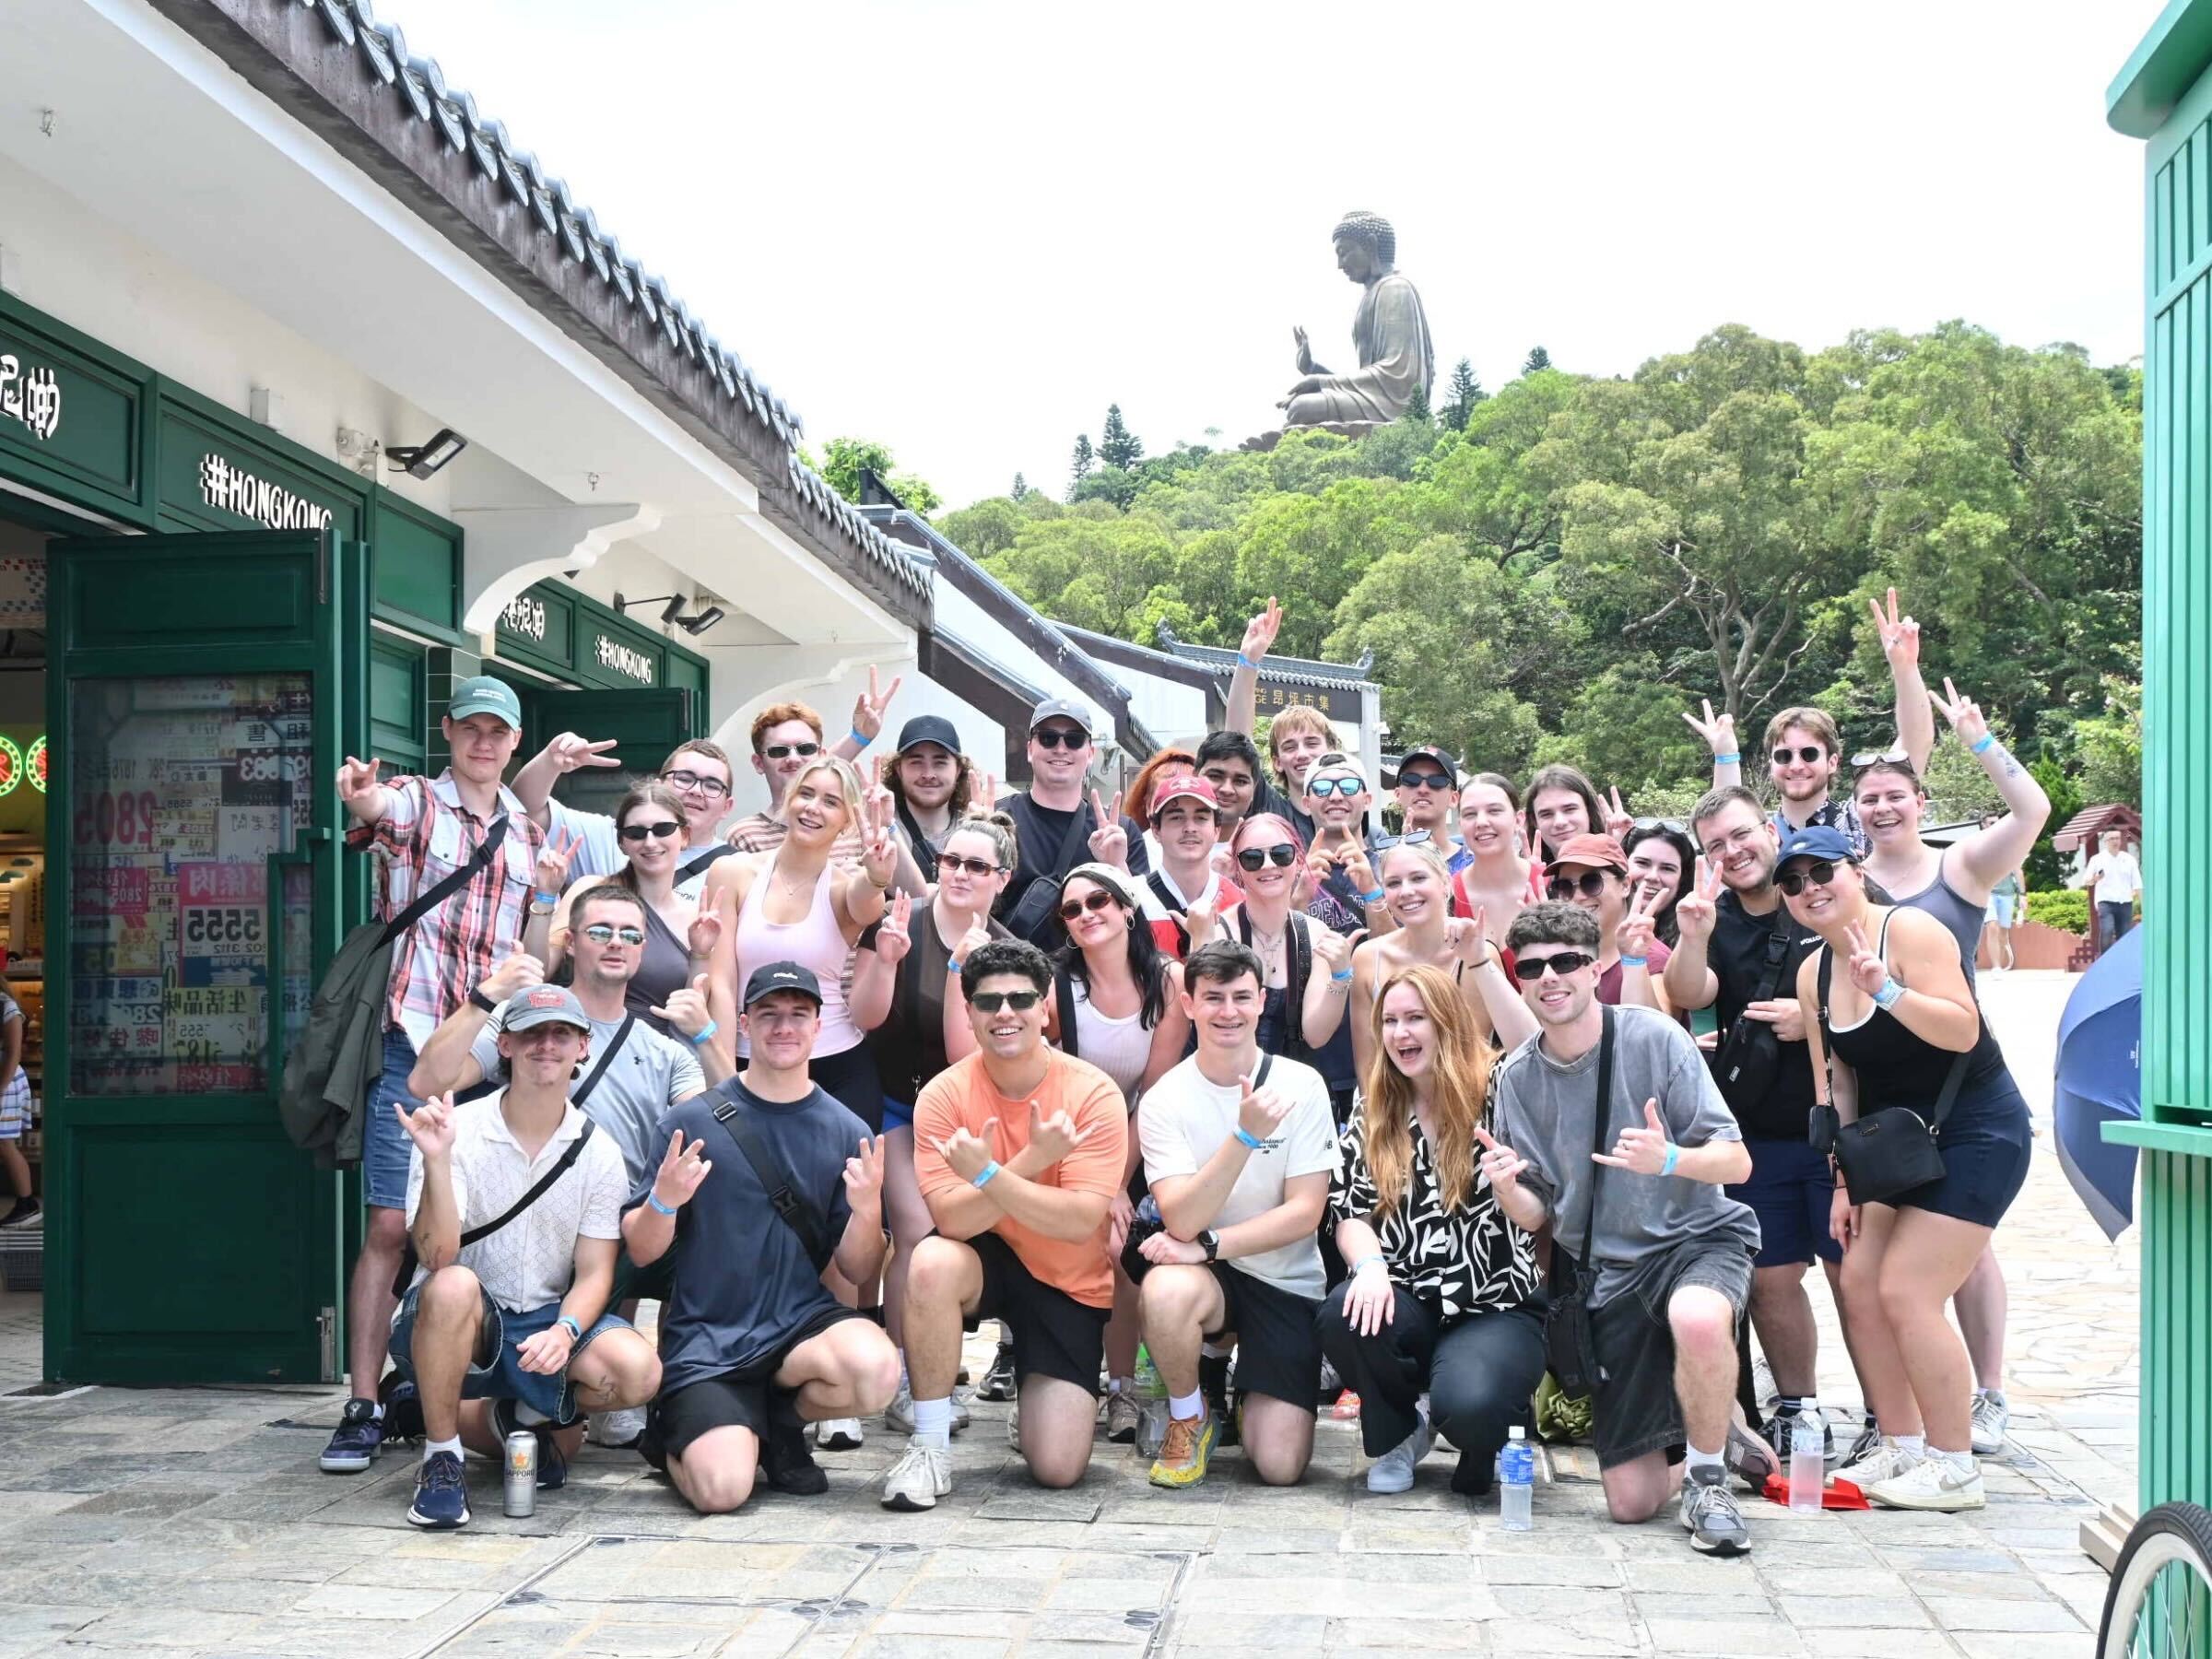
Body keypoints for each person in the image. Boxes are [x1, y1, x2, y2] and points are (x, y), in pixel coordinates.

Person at [322, 675, 546, 1477]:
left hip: (487, 1055)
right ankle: (361, 1404)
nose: (484, 743)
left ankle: (433, 1391)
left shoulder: (523, 829)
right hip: (410, 1046)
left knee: (461, 1233)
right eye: (471, 729)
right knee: (389, 1227)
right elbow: (382, 816)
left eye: (499, 732)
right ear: (448, 732)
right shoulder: (420, 800)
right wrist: (362, 801)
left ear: (513, 741)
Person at [1489, 901, 1762, 1557]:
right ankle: (1714, 1430)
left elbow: (1738, 1162)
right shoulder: (1517, 1078)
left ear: (1593, 968)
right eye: (1532, 967)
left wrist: (1671, 1159)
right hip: (1610, 1274)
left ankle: (1706, 1482)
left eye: (1566, 962)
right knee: (1629, 1503)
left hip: (1696, 1239)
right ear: (1518, 979)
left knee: (1699, 1317)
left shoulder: (1653, 1037)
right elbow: (1541, 1217)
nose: (1549, 977)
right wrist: (1506, 1193)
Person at [1785, 827, 2032, 1512]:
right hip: (1899, 1143)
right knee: (1860, 1279)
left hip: (1979, 1130)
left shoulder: (1912, 930)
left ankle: (1955, 1466)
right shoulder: (1812, 972)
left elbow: (1964, 1030)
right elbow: (1833, 1088)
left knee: (1907, 1289)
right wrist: (1843, 1181)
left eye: (1821, 871)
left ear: (1855, 869)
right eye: (1794, 881)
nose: (1810, 889)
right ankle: (1903, 1446)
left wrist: (1887, 990)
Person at [1853, 679, 2050, 1456]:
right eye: (1868, 798)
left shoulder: (1959, 869)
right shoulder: (1845, 885)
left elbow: (2031, 813)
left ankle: (1987, 1393)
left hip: (1959, 1077)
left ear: (1921, 801)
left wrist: (1978, 736)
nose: (1882, 807)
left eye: (1895, 794)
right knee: (1900, 1259)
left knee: (1967, 1248)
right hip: (1888, 1088)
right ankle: (1908, 1417)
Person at [624, 962, 901, 1512]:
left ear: (819, 1027)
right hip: (708, 1342)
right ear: (746, 1024)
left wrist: (867, 1211)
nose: (784, 1027)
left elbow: (859, 1270)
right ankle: (675, 1433)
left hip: (797, 1328)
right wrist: (664, 1200)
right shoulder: (690, 1122)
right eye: (769, 1015)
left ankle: (777, 1424)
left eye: (799, 1015)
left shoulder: (848, 1129)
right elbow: (641, 1249)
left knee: (876, 1372)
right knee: (723, 1493)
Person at [386, 984, 661, 1529]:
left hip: (539, 1320)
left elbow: (595, 1272)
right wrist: (437, 1164)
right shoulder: (455, 1128)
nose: (547, 1046)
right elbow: (437, 1256)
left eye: (562, 1033)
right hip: (460, 1318)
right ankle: (441, 1458)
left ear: (583, 1047)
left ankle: (509, 1414)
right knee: (453, 1284)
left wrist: (564, 1331)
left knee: (637, 1373)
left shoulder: (598, 1151)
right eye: (532, 1034)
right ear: (505, 1046)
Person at [886, 940, 1127, 1510]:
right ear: (967, 1014)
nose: (1005, 1013)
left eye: (1021, 998)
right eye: (988, 1002)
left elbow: (1079, 1222)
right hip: (982, 1259)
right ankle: (930, 1444)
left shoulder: (1093, 1092)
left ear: (1046, 1009)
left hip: (1066, 1277)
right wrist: (1028, 1165)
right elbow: (952, 1221)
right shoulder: (944, 1094)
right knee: (930, 1261)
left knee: (1059, 1470)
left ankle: (1036, 1402)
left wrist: (989, 1174)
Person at [1320, 964, 1547, 1496]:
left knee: (1474, 1411)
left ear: (1446, 1022)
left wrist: (1509, 1189)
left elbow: (1537, 1217)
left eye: (1416, 1018)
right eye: (1391, 1021)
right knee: (1343, 1311)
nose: (1401, 1034)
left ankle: (1482, 1424)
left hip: (1496, 1302)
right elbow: (1348, 1210)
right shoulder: (1373, 1102)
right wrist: (1370, 1267)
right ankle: (1402, 1431)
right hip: (1410, 1296)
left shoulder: (1499, 1087)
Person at [1666, 788, 1841, 1460]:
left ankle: (1891, 1415)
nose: (1734, 852)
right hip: (1757, 1128)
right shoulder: (1716, 916)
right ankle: (1798, 1406)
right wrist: (1694, 933)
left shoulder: (1819, 889)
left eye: (1742, 835)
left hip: (1834, 1124)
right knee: (1770, 1278)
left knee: (1852, 1276)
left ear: (1770, 829)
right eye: (1716, 845)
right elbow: (1689, 994)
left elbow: (1871, 985)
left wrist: (1812, 1018)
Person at [1135, 940, 1338, 1488]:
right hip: (1209, 1278)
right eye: (1214, 998)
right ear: (1188, 1004)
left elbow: (1304, 1215)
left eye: (1242, 997)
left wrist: (1207, 1245)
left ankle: (1250, 1389)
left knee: (1278, 1466)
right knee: (1164, 1290)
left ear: (1263, 1000)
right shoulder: (1164, 1100)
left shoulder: (1303, 1084)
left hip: (1284, 1279)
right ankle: (1189, 1414)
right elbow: (1178, 1218)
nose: (1228, 1011)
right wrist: (1244, 1136)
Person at [862, 816, 1017, 1433]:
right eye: (951, 860)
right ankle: (906, 1375)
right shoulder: (905, 922)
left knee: (975, 1233)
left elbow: (972, 1057)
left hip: (962, 1115)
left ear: (1001, 879)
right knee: (916, 1229)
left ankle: (943, 1368)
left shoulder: (1003, 949)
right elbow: (867, 1019)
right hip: (895, 1100)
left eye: (977, 866)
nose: (960, 874)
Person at [705, 754, 896, 1131]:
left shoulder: (845, 888)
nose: (813, 808)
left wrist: (876, 877)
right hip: (748, 1062)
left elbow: (867, 904)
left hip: (836, 1069)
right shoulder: (732, 872)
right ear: (789, 799)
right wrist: (725, 1083)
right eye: (805, 794)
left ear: (846, 822)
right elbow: (722, 984)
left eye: (831, 801)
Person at [1689, 589, 1937, 856]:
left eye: (1808, 754)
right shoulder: (1761, 837)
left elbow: (1917, 743)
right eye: (1784, 756)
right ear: (1770, 764)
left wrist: (1905, 668)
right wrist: (1726, 756)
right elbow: (1724, 816)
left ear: (1832, 762)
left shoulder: (1862, 819)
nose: (1796, 765)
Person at [535, 782, 730, 1046]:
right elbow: (536, 972)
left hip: (654, 1059)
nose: (650, 842)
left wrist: (701, 953)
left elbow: (692, 1011)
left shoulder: (697, 919)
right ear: (622, 842)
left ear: (684, 836)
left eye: (662, 830)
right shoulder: (591, 890)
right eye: (636, 833)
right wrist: (545, 896)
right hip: (578, 1046)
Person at [1209, 814, 1359, 1119]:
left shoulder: (1315, 934)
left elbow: (1316, 1034)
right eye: (1252, 858)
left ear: (1298, 860)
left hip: (1297, 1099)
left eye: (1280, 854)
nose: (1268, 865)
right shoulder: (1218, 933)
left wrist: (1342, 975)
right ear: (1238, 869)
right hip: (1228, 1096)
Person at [1349, 839, 1535, 1084]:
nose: (1406, 891)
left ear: (1445, 883)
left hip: (1463, 1106)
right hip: (1392, 1109)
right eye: (1394, 883)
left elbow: (1473, 1059)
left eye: (1418, 878)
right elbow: (1368, 1069)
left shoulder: (1476, 955)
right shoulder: (1367, 959)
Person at [510, 734, 745, 900]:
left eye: (712, 785)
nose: (695, 790)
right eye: (684, 778)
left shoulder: (739, 870)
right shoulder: (608, 835)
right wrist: (550, 762)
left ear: (728, 806)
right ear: (658, 786)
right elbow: (524, 811)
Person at [723, 687, 894, 858]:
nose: (793, 758)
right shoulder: (745, 837)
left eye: (805, 748)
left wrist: (888, 826)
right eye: (779, 751)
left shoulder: (854, 830)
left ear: (822, 756)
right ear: (759, 763)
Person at [994, 698, 1108, 949]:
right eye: (1048, 738)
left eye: (1074, 739)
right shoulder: (997, 819)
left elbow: (1141, 924)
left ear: (1090, 754)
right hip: (1013, 976)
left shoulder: (1115, 830)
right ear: (1029, 749)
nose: (1060, 748)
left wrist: (1117, 864)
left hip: (1090, 979)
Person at [1545, 833, 1673, 1017]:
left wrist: (1634, 961)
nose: (1578, 896)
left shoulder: (1650, 957)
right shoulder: (1562, 956)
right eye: (1564, 886)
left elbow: (1655, 1033)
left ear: (1625, 885)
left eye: (1591, 882)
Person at [1130, 776, 1240, 959]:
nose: (1190, 828)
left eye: (1201, 818)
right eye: (1177, 817)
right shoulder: (1131, 900)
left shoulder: (1240, 902)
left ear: (1216, 831)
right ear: (1156, 830)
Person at [1300, 753, 1392, 937]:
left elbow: (1402, 952)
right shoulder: (1286, 868)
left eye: (1349, 786)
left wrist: (1372, 892)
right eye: (1322, 788)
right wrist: (1299, 896)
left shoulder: (1390, 867)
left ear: (1367, 800)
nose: (1335, 796)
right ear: (1307, 804)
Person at [883, 713, 976, 888]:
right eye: (916, 762)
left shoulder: (973, 827)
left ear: (958, 770)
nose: (928, 774)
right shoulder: (878, 827)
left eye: (940, 763)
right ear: (899, 769)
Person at [1451, 773, 1535, 952]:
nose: (1481, 822)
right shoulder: (1448, 896)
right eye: (1470, 814)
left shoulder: (1552, 885)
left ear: (1519, 820)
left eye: (1494, 811)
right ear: (1460, 825)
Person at [1119, 747, 1197, 879]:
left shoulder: (1220, 853)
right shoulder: (1131, 850)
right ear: (1148, 805)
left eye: (1190, 801)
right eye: (1164, 803)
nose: (1176, 810)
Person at [1623, 819, 1698, 949]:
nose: (1652, 876)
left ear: (1682, 878)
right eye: (1642, 863)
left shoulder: (1695, 934)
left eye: (1667, 868)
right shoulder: (1595, 922)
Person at [2074, 828, 2143, 958]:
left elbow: (2138, 884)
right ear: (2105, 841)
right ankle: (2104, 959)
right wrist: (2095, 879)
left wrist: (2144, 907)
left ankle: (2122, 961)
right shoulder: (2097, 859)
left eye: (2118, 838)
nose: (2115, 841)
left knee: (2124, 935)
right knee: (2107, 929)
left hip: (2125, 902)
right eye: (2112, 839)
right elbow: (2086, 881)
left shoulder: (2129, 859)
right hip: (2105, 902)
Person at [0, 985, 36, 1230]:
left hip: (5, 1080)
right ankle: (27, 1203)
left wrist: (0, 1088)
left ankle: (27, 1203)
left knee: (4, 1143)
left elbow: (14, 1053)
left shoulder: (6, 1006)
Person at [1392, 747, 1464, 868]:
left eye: (1437, 781)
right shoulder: (1379, 866)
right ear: (1398, 795)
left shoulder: (1477, 865)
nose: (1423, 790)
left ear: (1454, 798)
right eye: (1411, 779)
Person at [1194, 730, 1267, 840]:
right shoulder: (1163, 848)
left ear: (1254, 789)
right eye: (1215, 776)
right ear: (1194, 777)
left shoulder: (1268, 851)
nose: (1227, 790)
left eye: (1240, 781)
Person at [1980, 827, 2027, 973]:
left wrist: (2023, 895)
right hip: (1989, 893)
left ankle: (2001, 961)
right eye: (1990, 823)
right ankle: (1996, 967)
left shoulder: (2009, 845)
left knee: (2003, 932)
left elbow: (2018, 871)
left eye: (1995, 823)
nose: (1993, 825)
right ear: (1983, 826)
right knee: (1992, 926)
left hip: (2007, 893)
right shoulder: (1981, 846)